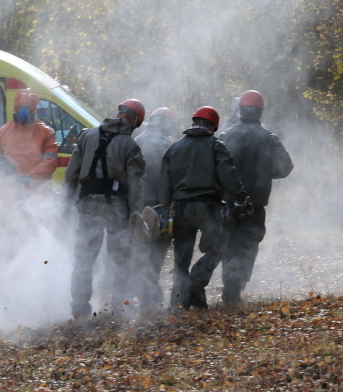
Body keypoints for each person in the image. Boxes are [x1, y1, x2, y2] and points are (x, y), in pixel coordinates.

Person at [158, 106, 249, 311]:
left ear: (193, 122)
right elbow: (228, 175)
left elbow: (164, 183)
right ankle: (195, 283)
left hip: (181, 208)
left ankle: (178, 303)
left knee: (182, 256)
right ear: (213, 126)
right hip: (208, 206)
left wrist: (166, 211)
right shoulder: (216, 145)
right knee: (217, 249)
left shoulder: (175, 148)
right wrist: (241, 195)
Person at [64, 99, 146, 319]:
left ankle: (79, 308)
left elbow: (71, 174)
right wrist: (136, 215)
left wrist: (66, 203)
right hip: (115, 207)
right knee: (123, 257)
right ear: (134, 120)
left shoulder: (86, 136)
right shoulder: (130, 145)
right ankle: (121, 306)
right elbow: (135, 184)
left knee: (84, 257)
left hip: (87, 203)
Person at [218, 90, 293, 305]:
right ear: (260, 112)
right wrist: (265, 174)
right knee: (249, 242)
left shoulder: (225, 136)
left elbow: (215, 167)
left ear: (240, 110)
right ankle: (237, 277)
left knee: (229, 242)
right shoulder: (269, 138)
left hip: (228, 202)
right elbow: (286, 167)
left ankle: (229, 287)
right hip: (255, 203)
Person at [0, 89, 58, 240]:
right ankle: (12, 258)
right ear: (15, 108)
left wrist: (29, 177)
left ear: (34, 110)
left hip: (37, 189)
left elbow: (50, 162)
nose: (23, 111)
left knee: (37, 225)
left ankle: (40, 260)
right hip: (10, 188)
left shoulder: (46, 132)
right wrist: (0, 162)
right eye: (20, 108)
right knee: (10, 226)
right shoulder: (4, 131)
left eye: (27, 108)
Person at [131, 107, 175, 311]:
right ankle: (150, 299)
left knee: (140, 252)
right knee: (157, 253)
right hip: (160, 205)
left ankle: (146, 296)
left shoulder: (136, 141)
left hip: (137, 205)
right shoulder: (170, 145)